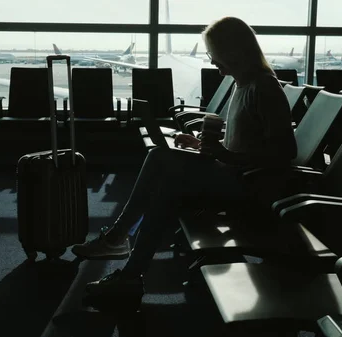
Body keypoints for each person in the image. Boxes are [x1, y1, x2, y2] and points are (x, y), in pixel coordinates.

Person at [72, 16, 297, 309]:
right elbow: (246, 137)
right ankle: (128, 271)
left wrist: (226, 155)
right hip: (232, 174)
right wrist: (202, 145)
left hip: (248, 185)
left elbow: (285, 152)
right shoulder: (243, 84)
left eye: (215, 54)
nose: (213, 62)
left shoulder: (264, 87)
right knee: (166, 177)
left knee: (162, 163)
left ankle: (118, 242)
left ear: (233, 51)